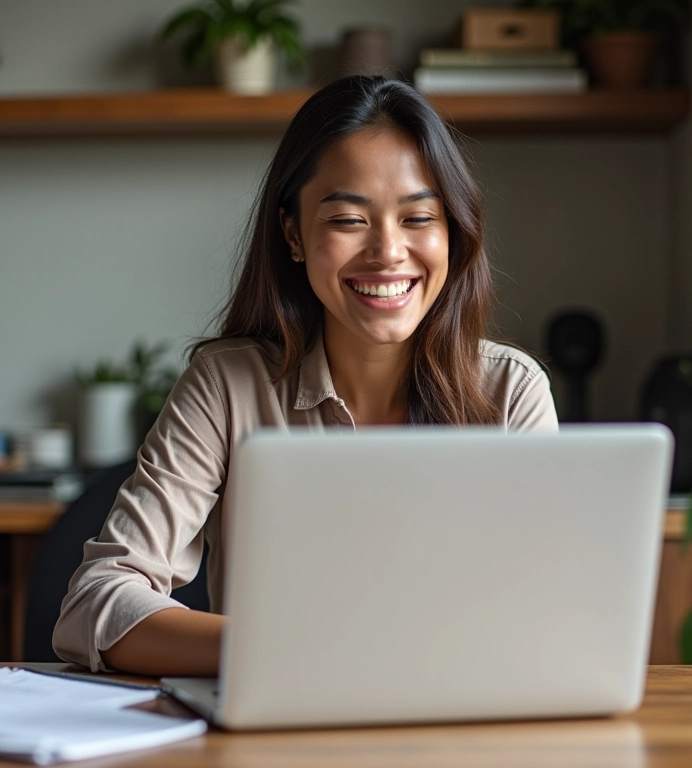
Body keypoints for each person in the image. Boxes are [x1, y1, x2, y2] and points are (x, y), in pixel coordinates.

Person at [53, 75, 558, 676]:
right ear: (294, 233)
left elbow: (548, 614)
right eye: (349, 220)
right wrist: (289, 652)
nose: (389, 251)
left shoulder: (510, 393)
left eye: (419, 217)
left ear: (453, 232)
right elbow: (96, 601)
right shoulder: (227, 385)